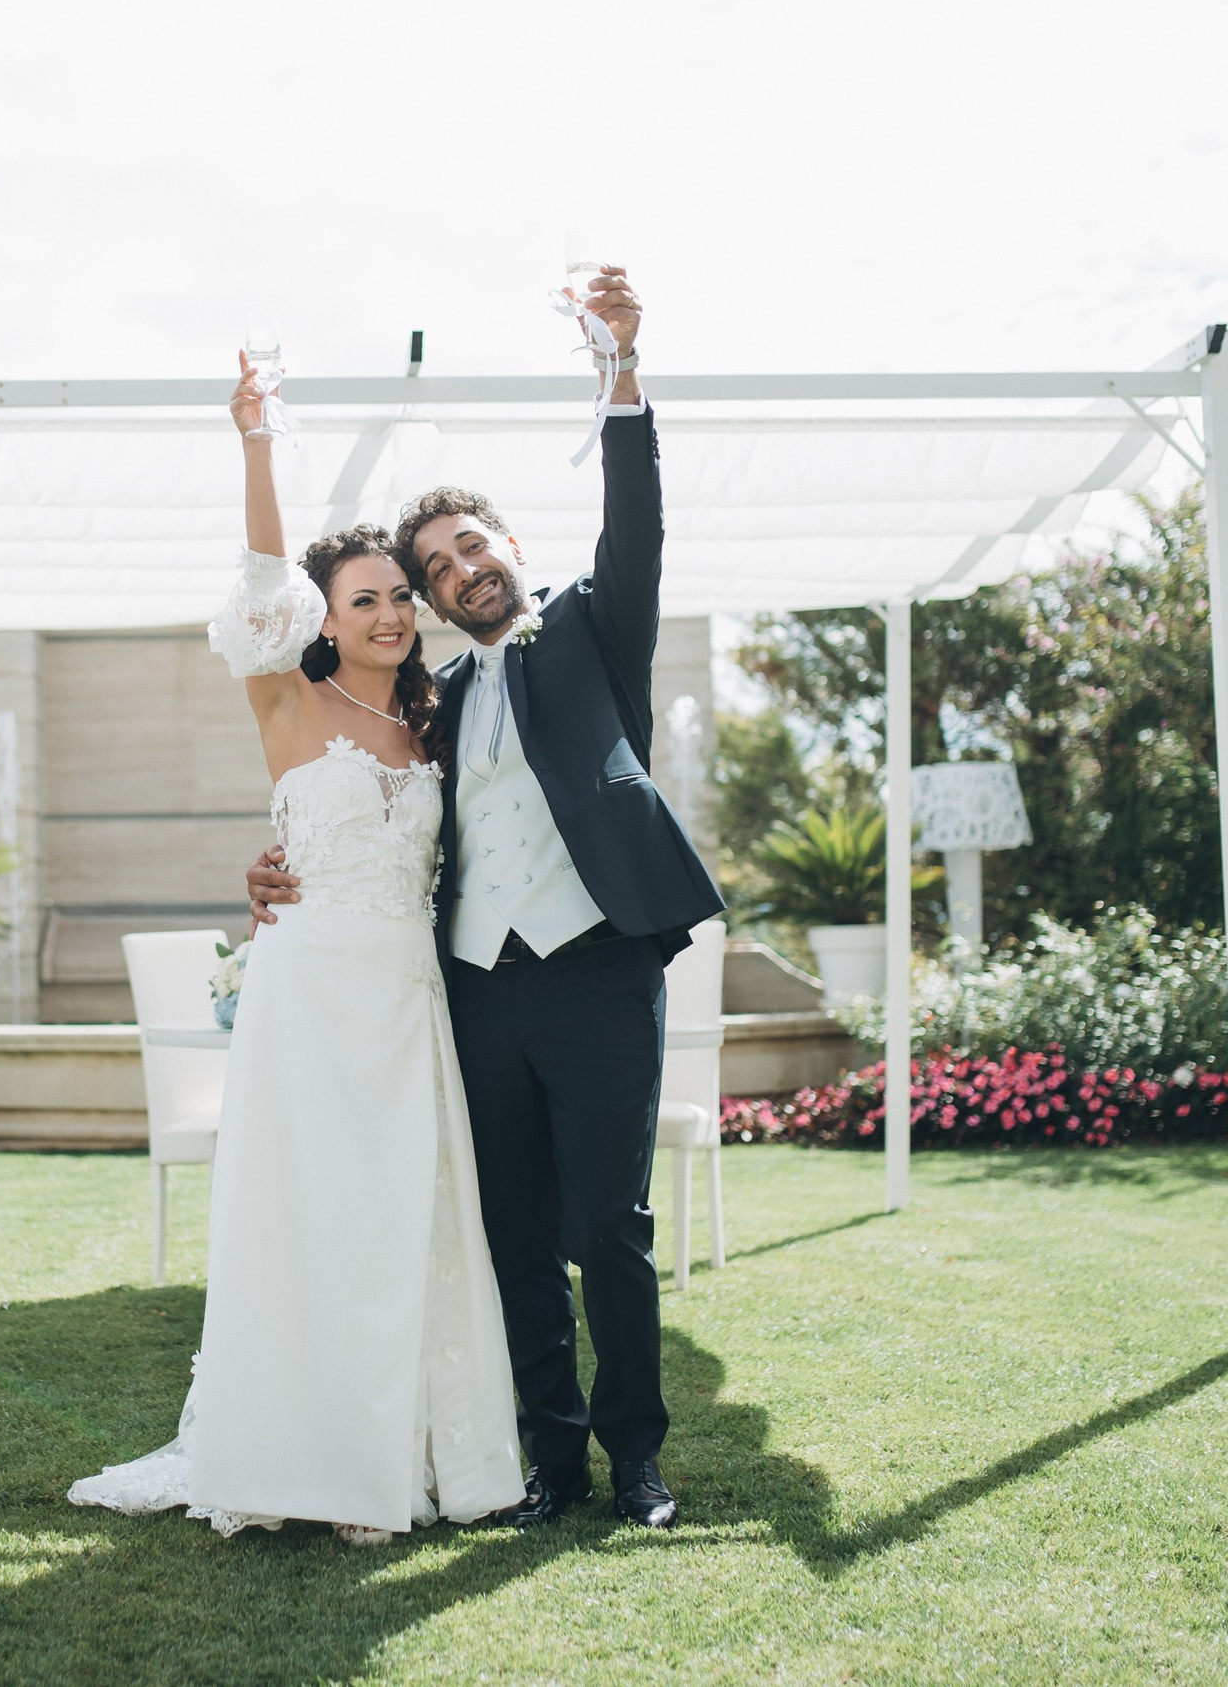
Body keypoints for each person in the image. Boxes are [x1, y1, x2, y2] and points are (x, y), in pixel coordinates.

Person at [248, 268, 721, 1530]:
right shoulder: (430, 702)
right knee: (511, 1232)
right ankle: (547, 1461)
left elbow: (641, 513)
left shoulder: (596, 632)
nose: (458, 572)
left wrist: (621, 368)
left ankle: (638, 1461)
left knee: (606, 1229)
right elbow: (341, 783)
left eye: (472, 549)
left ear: (511, 549)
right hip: (468, 984)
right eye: (434, 566)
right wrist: (273, 862)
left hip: (597, 969)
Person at [67, 352, 525, 1545]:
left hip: (404, 1001)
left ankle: (408, 1447)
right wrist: (257, 446)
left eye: (395, 596)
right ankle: (297, 1453)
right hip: (305, 996)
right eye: (361, 597)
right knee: (305, 1220)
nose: (384, 611)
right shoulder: (283, 699)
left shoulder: (437, 719)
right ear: (325, 619)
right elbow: (262, 577)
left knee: (399, 1221)